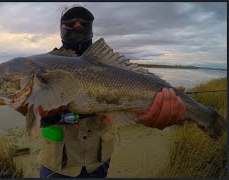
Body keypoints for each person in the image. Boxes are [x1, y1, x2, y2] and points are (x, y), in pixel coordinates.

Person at [22, 5, 186, 178]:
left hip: (99, 161)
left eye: (84, 21)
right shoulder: (43, 66)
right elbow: (26, 108)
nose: (78, 25)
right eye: (70, 22)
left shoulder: (106, 64)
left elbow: (129, 112)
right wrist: (45, 114)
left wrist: (156, 113)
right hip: (57, 165)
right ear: (61, 29)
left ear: (92, 28)